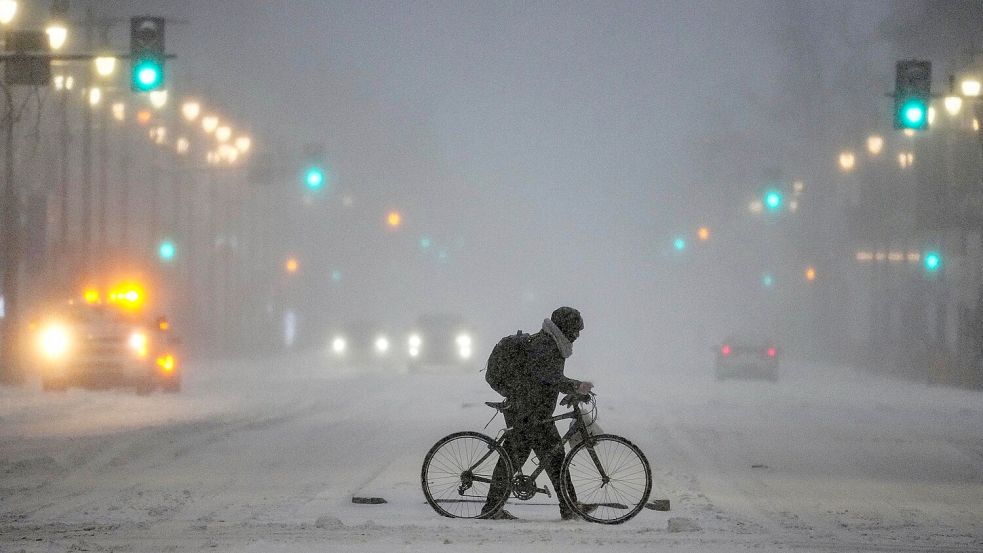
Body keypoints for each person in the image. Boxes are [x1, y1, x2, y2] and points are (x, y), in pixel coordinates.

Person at [481, 306, 593, 521]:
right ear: (565, 328)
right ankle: (569, 506)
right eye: (575, 330)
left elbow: (547, 380)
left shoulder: (552, 343)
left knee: (536, 459)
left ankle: (568, 506)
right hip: (528, 412)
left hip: (531, 410)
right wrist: (576, 386)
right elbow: (548, 376)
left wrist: (572, 389)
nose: (577, 335)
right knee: (548, 458)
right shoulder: (546, 345)